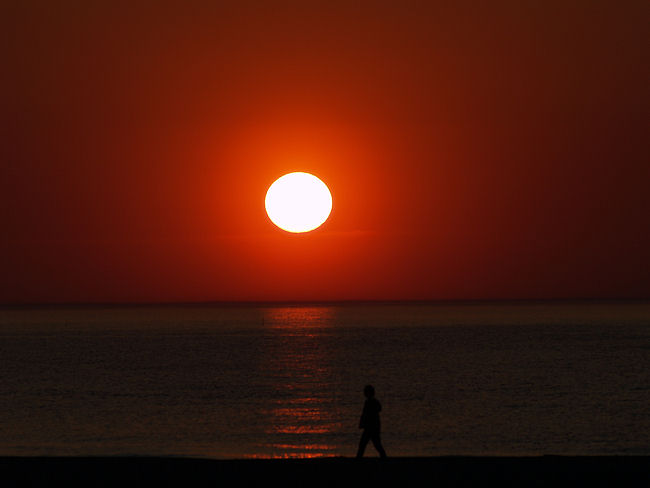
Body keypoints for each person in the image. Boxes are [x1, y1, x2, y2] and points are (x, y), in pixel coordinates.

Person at [356, 384, 387, 458]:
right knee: (375, 444)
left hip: (370, 427)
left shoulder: (370, 402)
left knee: (364, 444)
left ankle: (358, 458)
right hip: (373, 426)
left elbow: (366, 414)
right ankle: (383, 456)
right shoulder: (372, 402)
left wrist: (362, 423)